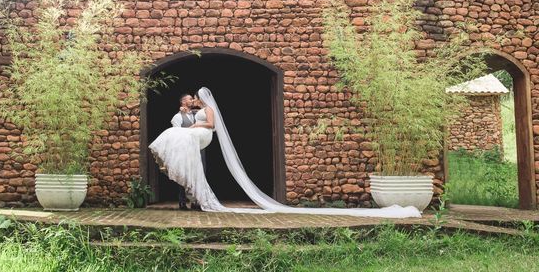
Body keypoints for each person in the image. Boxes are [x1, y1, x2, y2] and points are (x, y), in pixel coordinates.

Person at [149, 87, 422, 218]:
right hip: (194, 137)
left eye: (195, 98)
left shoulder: (206, 112)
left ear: (203, 99)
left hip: (204, 135)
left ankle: (191, 195)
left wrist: (194, 120)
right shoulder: (190, 112)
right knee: (177, 136)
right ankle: (187, 193)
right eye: (191, 100)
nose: (193, 101)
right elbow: (183, 120)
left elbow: (211, 125)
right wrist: (186, 117)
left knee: (180, 137)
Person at [170, 93, 206, 210]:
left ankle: (196, 201)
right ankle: (182, 201)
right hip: (185, 150)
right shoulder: (177, 117)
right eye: (190, 99)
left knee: (199, 174)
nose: (192, 101)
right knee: (184, 174)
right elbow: (177, 134)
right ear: (183, 102)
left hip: (198, 149)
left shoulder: (197, 114)